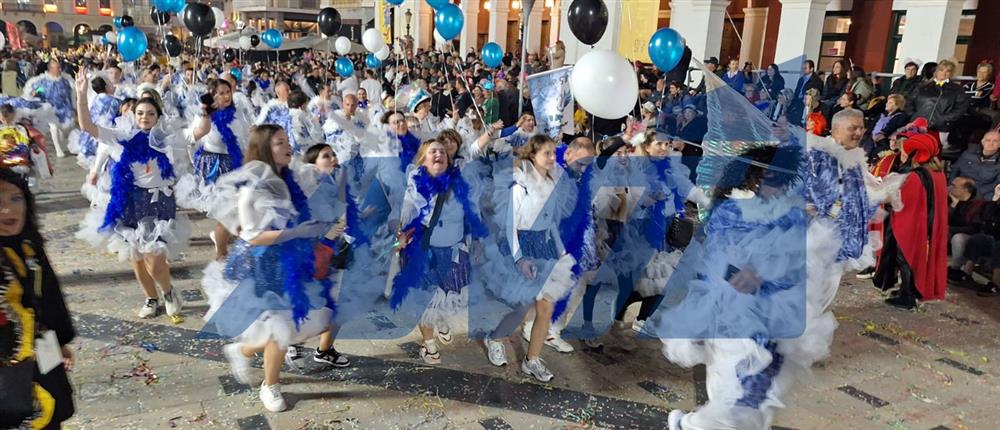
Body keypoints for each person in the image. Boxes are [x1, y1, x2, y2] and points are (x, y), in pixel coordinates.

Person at [203, 125, 336, 412]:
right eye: (279, 142)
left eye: (288, 140)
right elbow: (251, 236)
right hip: (262, 264)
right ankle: (270, 386)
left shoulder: (291, 178)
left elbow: (316, 177)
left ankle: (243, 350)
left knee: (297, 324)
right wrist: (296, 233)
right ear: (265, 148)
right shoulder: (252, 189)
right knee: (278, 328)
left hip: (294, 259)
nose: (288, 146)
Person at [73, 72, 190, 320]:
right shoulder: (122, 137)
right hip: (129, 201)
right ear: (133, 116)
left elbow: (196, 133)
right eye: (140, 113)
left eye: (150, 113)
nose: (145, 118)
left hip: (158, 203)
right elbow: (87, 127)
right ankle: (151, 298)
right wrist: (81, 95)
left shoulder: (166, 139)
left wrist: (204, 112)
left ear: (158, 116)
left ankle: (168, 292)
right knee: (136, 257)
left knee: (154, 255)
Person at [482, 134, 577, 382]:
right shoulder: (520, 183)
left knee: (545, 308)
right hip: (523, 245)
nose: (551, 157)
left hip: (546, 246)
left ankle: (532, 359)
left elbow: (552, 221)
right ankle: (495, 337)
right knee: (522, 306)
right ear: (532, 155)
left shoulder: (554, 182)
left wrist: (560, 249)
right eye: (545, 152)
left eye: (552, 153)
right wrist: (519, 259)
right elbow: (510, 225)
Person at [390, 139, 488, 364]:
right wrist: (399, 242)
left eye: (442, 151)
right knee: (425, 299)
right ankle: (429, 343)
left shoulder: (459, 180)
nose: (438, 154)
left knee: (446, 294)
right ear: (423, 159)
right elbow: (405, 216)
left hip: (454, 250)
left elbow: (471, 210)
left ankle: (440, 319)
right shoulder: (415, 182)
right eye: (432, 151)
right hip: (425, 251)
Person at [0, 168, 76, 429]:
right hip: (6, 362)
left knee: (52, 410)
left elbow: (49, 297)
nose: (9, 211)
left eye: (16, 198)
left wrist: (60, 340)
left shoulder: (29, 245)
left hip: (42, 347)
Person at [176, 79, 249, 261]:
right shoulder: (204, 116)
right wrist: (205, 114)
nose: (225, 96)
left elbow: (245, 138)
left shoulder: (238, 113)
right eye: (220, 93)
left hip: (235, 165)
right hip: (214, 168)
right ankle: (222, 254)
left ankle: (222, 248)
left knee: (236, 211)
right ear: (212, 95)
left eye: (227, 92)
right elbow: (195, 135)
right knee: (228, 213)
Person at [873, 133, 948, 309]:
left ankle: (907, 296)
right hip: (928, 224)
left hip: (911, 224)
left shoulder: (916, 176)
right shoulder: (938, 174)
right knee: (914, 259)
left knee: (905, 259)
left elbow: (900, 200)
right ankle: (907, 292)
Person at [906, 60, 968, 149]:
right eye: (941, 70)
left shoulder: (957, 90)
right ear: (936, 71)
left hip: (940, 128)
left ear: (951, 73)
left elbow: (961, 108)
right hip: (917, 125)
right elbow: (909, 102)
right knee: (913, 149)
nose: (944, 73)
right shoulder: (922, 86)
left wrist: (944, 119)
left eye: (948, 71)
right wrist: (914, 116)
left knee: (933, 151)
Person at [69, 75, 120, 170]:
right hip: (102, 137)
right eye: (111, 85)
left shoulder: (96, 98)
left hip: (89, 136)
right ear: (106, 87)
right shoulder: (115, 101)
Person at [948, 130, 1000, 200]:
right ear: (982, 141)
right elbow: (955, 169)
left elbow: (997, 184)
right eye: (988, 140)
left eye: (995, 141)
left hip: (980, 197)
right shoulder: (968, 153)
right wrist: (951, 186)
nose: (991, 143)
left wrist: (984, 197)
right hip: (958, 190)